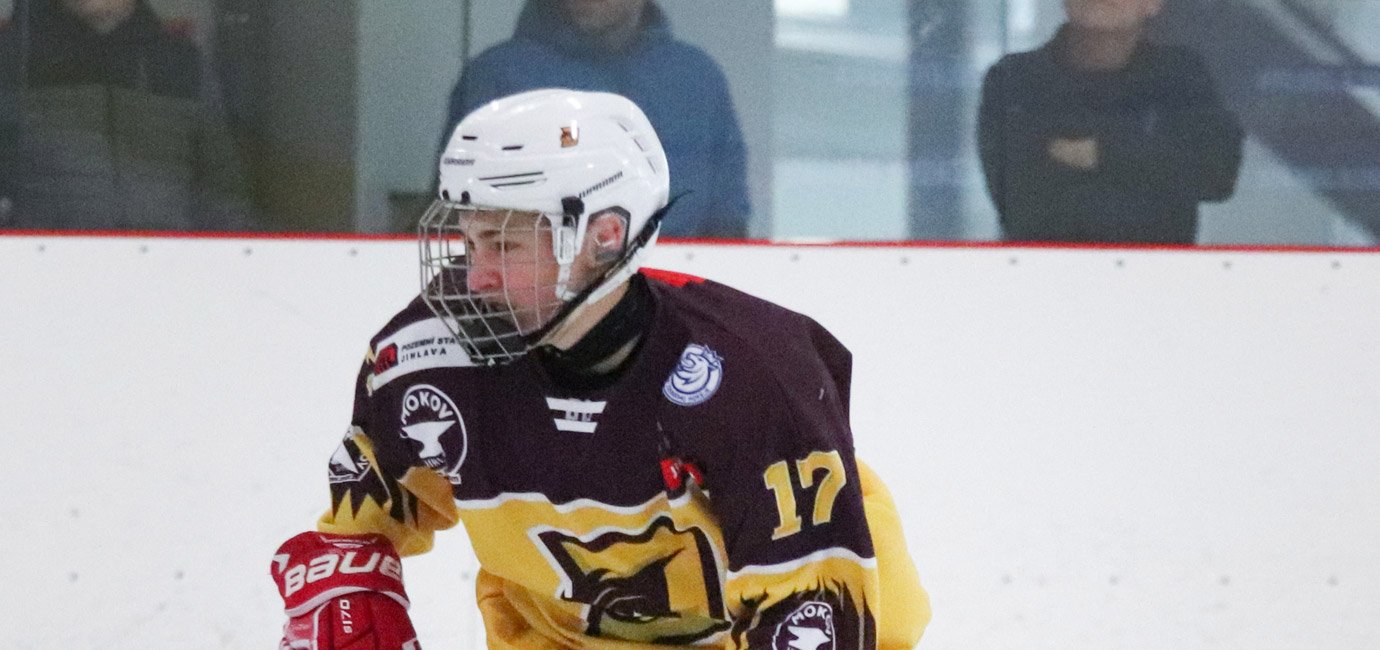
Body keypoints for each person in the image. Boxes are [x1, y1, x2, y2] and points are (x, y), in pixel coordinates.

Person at [269, 89, 930, 649]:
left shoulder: (751, 375)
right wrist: (345, 583)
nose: (476, 276)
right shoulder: (423, 359)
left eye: (504, 244)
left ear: (605, 236)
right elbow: (356, 534)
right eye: (469, 241)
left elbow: (813, 612)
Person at [441, 0, 751, 239]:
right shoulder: (498, 75)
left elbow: (728, 218)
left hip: (675, 288)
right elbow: (456, 204)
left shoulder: (697, 79)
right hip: (536, 290)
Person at [977, 0, 1244, 244]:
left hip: (1160, 274)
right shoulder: (1015, 79)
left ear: (1153, 4)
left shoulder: (1182, 76)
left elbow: (1216, 175)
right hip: (1043, 273)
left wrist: (1101, 152)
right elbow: (1020, 201)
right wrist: (1150, 159)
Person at [0, 0, 249, 230]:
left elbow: (225, 197)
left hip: (172, 260)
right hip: (40, 262)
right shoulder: (10, 61)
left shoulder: (184, 66)